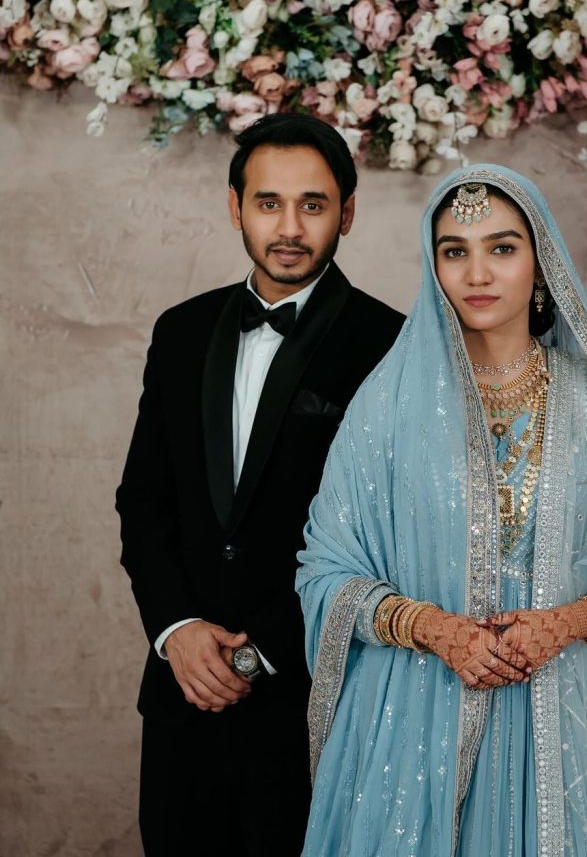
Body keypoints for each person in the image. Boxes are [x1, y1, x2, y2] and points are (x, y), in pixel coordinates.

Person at [296, 165, 587, 856]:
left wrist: (570, 620)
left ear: (540, 259)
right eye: (454, 251)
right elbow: (324, 569)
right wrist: (433, 628)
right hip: (413, 722)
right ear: (432, 264)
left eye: (501, 247)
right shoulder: (388, 404)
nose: (477, 273)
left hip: (571, 726)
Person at [115, 114, 404, 856]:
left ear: (347, 210)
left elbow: (392, 537)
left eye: (312, 204)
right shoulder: (179, 331)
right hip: (181, 698)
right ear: (234, 206)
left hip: (316, 702)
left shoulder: (394, 345)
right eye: (267, 202)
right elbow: (144, 501)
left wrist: (253, 656)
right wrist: (176, 633)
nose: (288, 226)